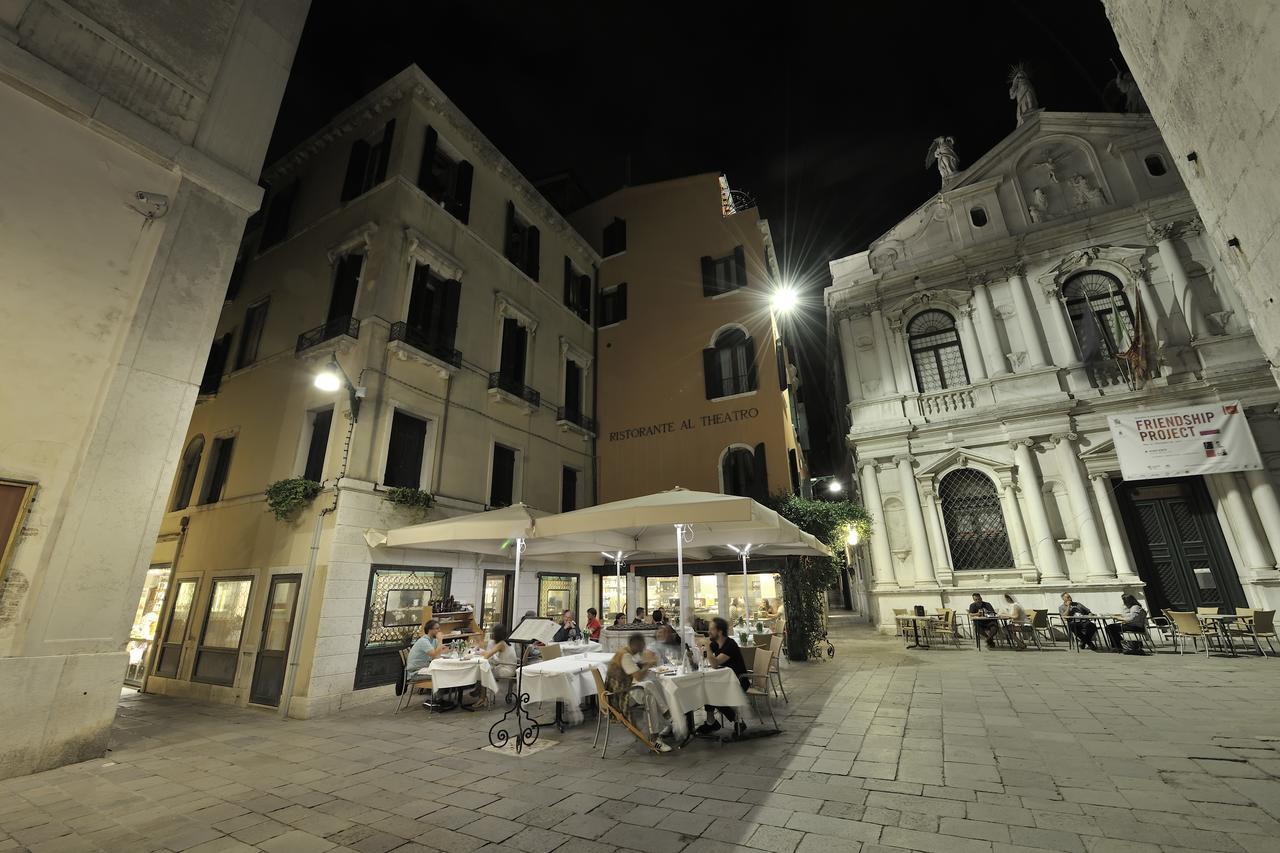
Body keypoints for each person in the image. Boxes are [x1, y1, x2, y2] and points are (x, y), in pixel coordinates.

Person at [606, 634, 672, 752]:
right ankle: (660, 725)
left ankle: (655, 735)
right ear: (636, 645)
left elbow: (634, 669)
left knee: (649, 692)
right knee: (648, 689)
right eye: (642, 645)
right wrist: (649, 665)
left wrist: (644, 664)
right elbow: (638, 676)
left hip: (620, 689)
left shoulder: (625, 652)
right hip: (618, 696)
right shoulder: (625, 656)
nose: (644, 647)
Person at [696, 617, 749, 738]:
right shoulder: (716, 644)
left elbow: (714, 664)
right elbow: (704, 656)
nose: (709, 632)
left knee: (711, 692)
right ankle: (712, 722)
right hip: (724, 681)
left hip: (739, 681)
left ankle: (735, 721)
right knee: (707, 689)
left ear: (719, 632)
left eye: (711, 630)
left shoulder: (730, 645)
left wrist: (707, 646)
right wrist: (698, 649)